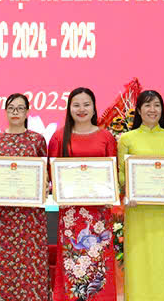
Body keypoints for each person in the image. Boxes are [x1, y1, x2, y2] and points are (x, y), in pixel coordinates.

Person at [48, 87, 117, 301]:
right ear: (69, 108)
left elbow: (112, 171)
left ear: (94, 108)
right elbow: (52, 172)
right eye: (76, 105)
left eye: (86, 104)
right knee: (73, 261)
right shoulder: (59, 137)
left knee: (99, 263)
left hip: (98, 213)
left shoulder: (106, 136)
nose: (81, 109)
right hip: (71, 214)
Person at [117, 90, 164, 301]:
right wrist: (128, 189)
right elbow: (121, 174)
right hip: (137, 209)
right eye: (147, 105)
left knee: (163, 258)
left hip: (163, 211)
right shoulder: (127, 139)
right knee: (139, 258)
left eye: (156, 105)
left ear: (162, 109)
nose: (152, 110)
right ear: (138, 110)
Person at [0, 93, 49, 301]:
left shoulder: (37, 140)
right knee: (4, 262)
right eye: (11, 108)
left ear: (27, 112)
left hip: (31, 216)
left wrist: (44, 186)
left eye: (20, 108)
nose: (15, 112)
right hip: (4, 216)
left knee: (31, 262)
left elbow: (44, 173)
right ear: (5, 111)